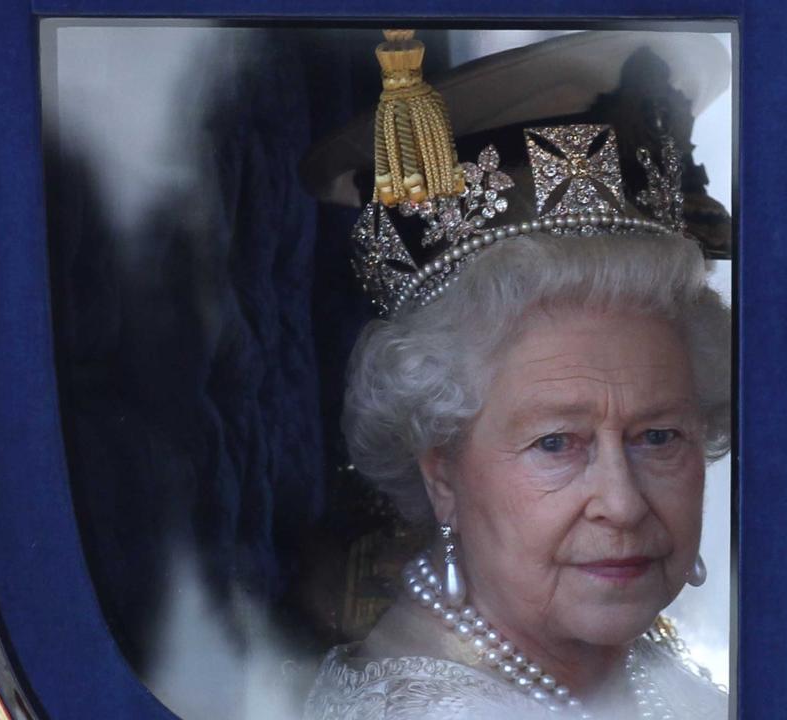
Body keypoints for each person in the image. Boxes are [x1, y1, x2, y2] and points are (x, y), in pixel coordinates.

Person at [302, 30, 731, 719]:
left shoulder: (611, 661)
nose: (621, 505)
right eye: (557, 443)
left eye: (658, 436)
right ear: (442, 473)